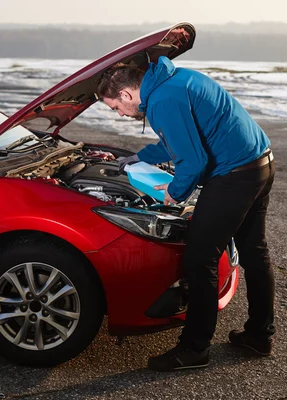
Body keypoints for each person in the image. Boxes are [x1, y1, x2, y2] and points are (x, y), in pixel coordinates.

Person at [97, 55, 276, 372]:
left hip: (235, 173)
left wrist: (173, 193)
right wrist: (140, 156)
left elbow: (192, 162)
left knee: (199, 258)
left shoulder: (163, 99)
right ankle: (259, 335)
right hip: (260, 161)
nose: (120, 114)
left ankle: (194, 348)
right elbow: (180, 140)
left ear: (126, 94)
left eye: (115, 108)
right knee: (254, 251)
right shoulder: (172, 81)